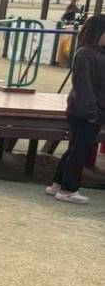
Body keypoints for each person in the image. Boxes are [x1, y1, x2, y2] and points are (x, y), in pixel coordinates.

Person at [46, 13, 105, 205]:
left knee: (75, 149)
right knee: (79, 152)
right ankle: (68, 190)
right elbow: (83, 86)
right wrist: (90, 112)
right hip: (86, 111)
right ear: (98, 32)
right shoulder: (86, 54)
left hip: (88, 109)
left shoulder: (96, 52)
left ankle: (58, 184)